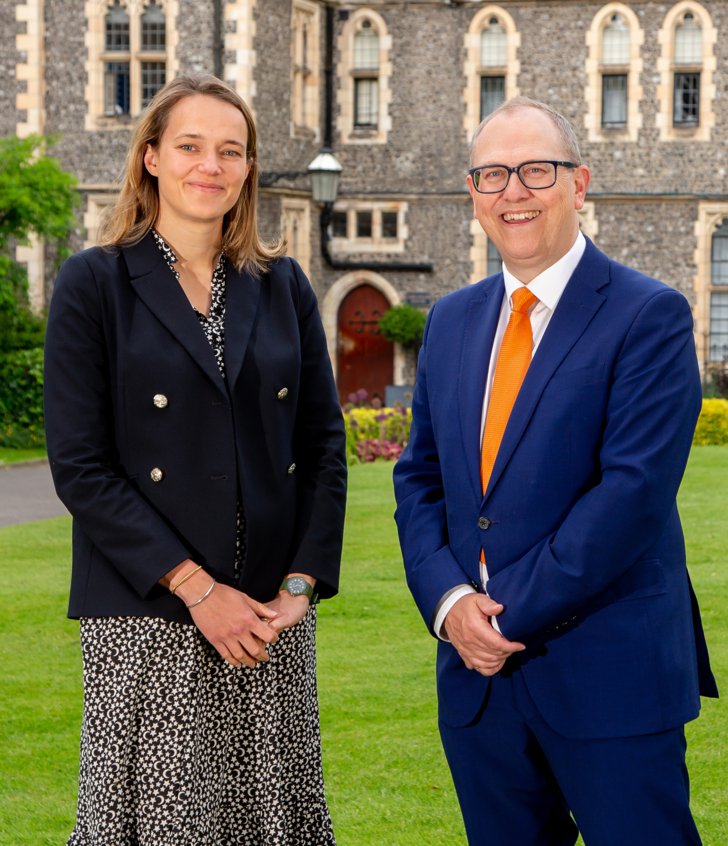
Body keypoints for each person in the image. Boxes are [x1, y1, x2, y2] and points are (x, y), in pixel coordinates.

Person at [393, 97, 717, 846]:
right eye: (492, 175)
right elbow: (420, 481)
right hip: (479, 688)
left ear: (580, 183)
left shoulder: (650, 315)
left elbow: (630, 496)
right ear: (472, 194)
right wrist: (449, 605)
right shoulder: (451, 321)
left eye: (537, 170)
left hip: (610, 672)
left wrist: (494, 615)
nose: (514, 191)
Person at [44, 74, 347, 846]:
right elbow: (81, 465)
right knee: (164, 823)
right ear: (149, 157)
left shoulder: (281, 286)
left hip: (264, 616)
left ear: (247, 169)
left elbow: (321, 446)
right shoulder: (94, 283)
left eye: (230, 151)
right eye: (189, 147)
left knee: (265, 822)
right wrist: (194, 587)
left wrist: (300, 586)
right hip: (148, 610)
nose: (209, 166)